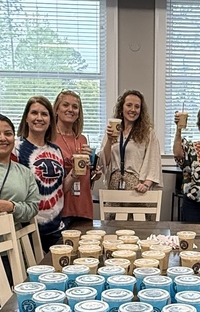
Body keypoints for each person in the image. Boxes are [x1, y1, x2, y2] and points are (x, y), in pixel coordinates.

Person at [14, 95, 75, 250]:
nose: (39, 118)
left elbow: (61, 189)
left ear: (50, 120)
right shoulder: (16, 147)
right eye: (34, 113)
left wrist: (75, 174)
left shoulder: (55, 150)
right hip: (27, 228)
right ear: (26, 118)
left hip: (55, 227)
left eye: (44, 114)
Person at [53, 90, 100, 228]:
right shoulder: (49, 138)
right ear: (56, 109)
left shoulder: (82, 138)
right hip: (62, 208)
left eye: (75, 107)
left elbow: (85, 175)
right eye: (65, 105)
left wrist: (94, 174)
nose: (70, 110)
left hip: (83, 206)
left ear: (79, 113)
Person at [102, 89, 161, 193]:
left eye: (137, 106)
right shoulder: (112, 130)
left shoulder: (148, 133)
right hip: (114, 185)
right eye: (129, 105)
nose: (133, 109)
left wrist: (146, 185)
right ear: (122, 107)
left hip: (137, 186)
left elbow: (154, 161)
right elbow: (104, 162)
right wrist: (109, 140)